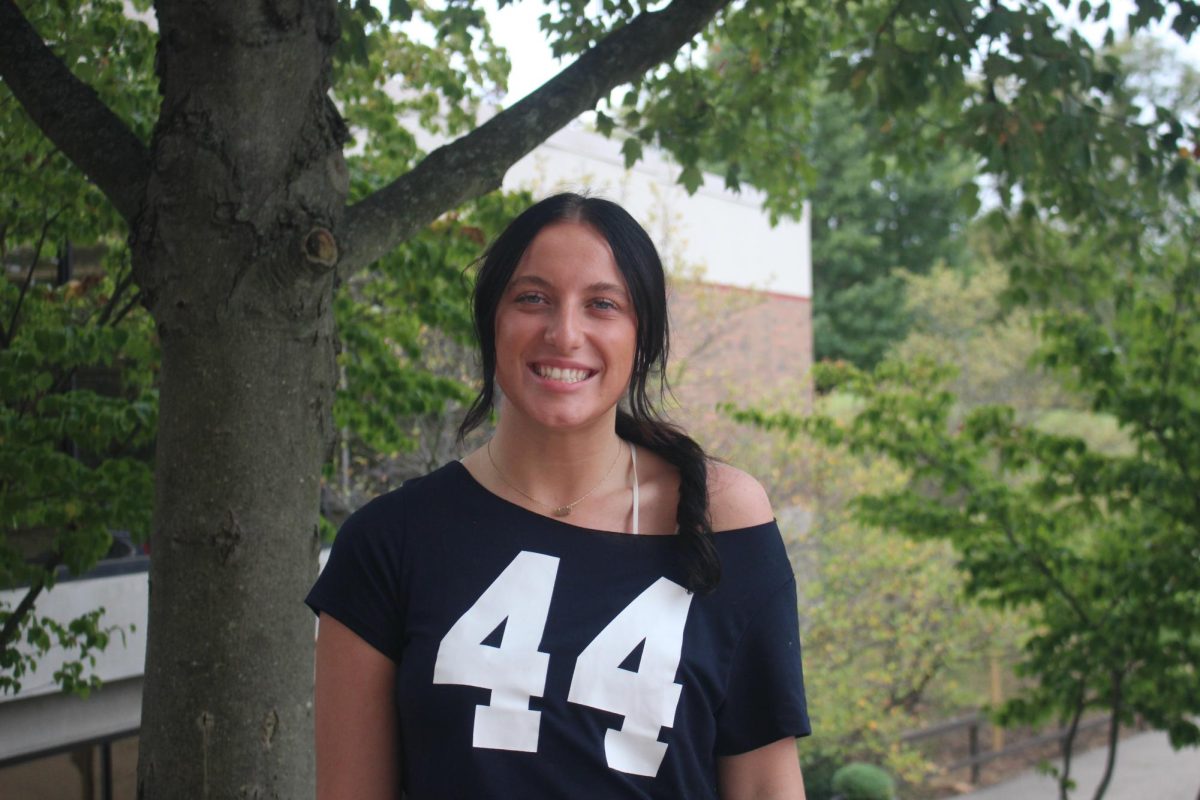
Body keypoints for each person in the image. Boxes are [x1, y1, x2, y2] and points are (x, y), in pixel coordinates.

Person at [307, 192, 810, 799]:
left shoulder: (719, 518)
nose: (564, 333)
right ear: (493, 320)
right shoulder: (389, 542)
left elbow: (764, 787)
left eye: (602, 304)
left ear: (640, 334)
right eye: (533, 298)